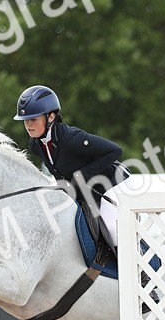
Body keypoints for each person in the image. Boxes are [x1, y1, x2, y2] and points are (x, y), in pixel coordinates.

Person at [13, 84, 128, 248]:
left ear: (51, 117)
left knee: (112, 228)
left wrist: (82, 175)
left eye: (33, 119)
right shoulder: (36, 144)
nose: (28, 125)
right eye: (25, 120)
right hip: (85, 192)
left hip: (114, 184)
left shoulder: (71, 138)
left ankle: (143, 271)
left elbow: (115, 151)